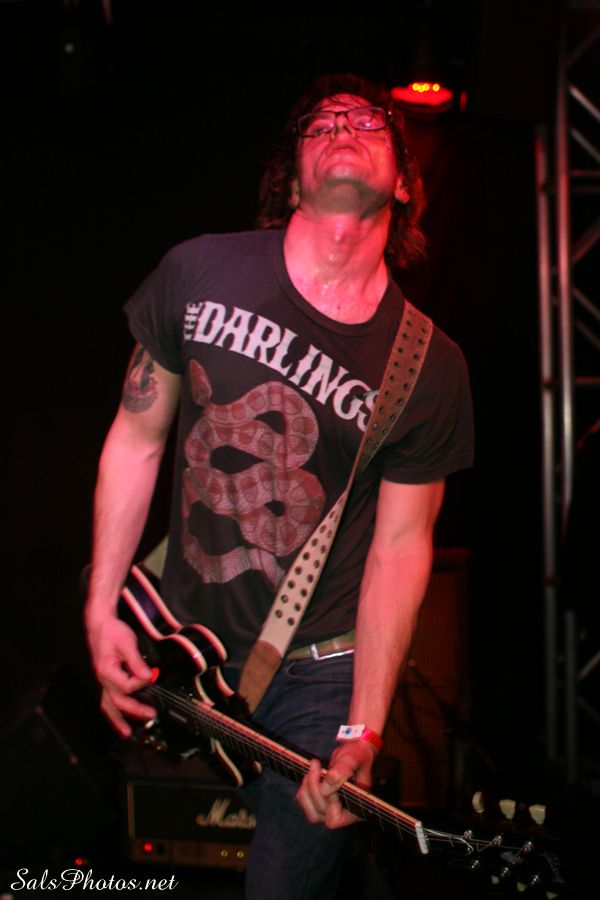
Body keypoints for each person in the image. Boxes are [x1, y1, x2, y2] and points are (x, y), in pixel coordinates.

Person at [85, 73, 474, 899]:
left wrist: (365, 727)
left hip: (319, 671)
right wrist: (101, 604)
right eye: (321, 123)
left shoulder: (428, 366)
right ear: (291, 181)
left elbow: (401, 549)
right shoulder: (199, 270)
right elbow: (136, 438)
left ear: (405, 184)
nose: (344, 127)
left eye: (368, 121)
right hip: (177, 639)